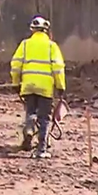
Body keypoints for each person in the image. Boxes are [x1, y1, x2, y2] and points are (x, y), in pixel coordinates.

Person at [10, 15, 66, 158]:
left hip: (28, 86)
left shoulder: (25, 45)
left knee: (31, 112)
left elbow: (15, 65)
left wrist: (16, 83)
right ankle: (41, 149)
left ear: (32, 30)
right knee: (45, 118)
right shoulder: (51, 46)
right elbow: (58, 68)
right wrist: (61, 87)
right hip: (45, 88)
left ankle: (29, 130)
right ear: (46, 30)